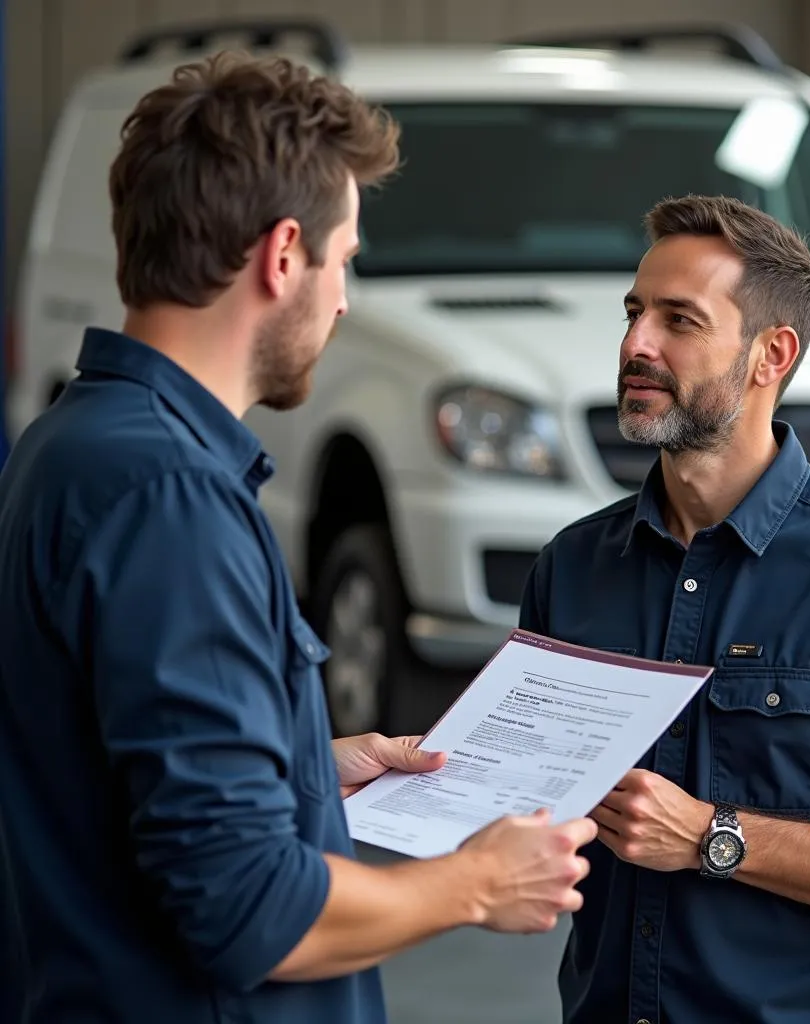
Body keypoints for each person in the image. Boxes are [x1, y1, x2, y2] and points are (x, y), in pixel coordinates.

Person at [0, 52, 598, 1024]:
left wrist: (305, 761)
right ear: (284, 255)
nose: (345, 296)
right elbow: (250, 911)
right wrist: (474, 882)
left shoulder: (72, 444)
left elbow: (113, 765)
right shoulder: (171, 499)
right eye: (345, 257)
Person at [519, 194, 810, 1024]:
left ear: (771, 354)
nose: (636, 344)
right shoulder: (573, 567)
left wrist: (710, 834)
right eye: (634, 314)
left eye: (680, 320)